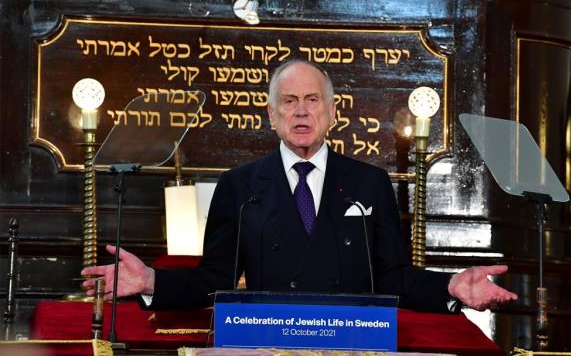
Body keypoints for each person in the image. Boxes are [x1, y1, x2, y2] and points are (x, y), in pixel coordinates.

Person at [82, 59, 518, 313]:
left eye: (312, 100)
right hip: (270, 340)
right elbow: (214, 280)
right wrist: (151, 281)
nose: (301, 111)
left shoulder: (369, 183)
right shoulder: (239, 186)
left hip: (354, 341)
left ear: (331, 113)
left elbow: (394, 277)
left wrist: (450, 285)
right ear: (271, 116)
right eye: (289, 102)